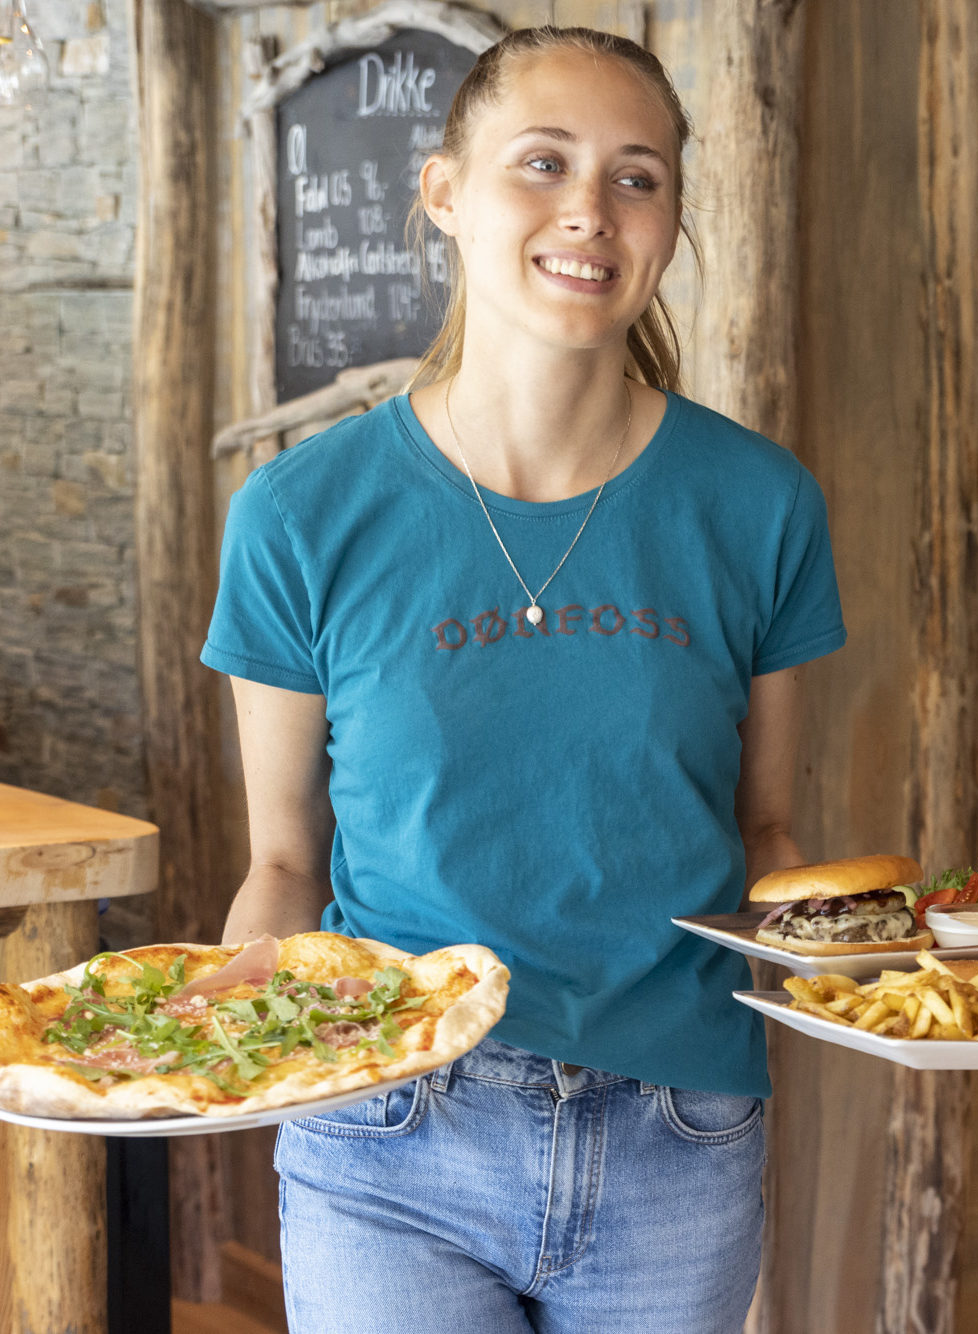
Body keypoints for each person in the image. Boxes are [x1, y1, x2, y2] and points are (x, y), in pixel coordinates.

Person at [202, 25, 845, 1333]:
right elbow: (283, 861)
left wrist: (886, 971)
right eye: (541, 163)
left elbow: (765, 833)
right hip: (391, 1121)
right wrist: (214, 1041)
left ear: (668, 219)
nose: (588, 213)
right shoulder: (299, 513)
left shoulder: (759, 504)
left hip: (679, 1129)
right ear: (443, 192)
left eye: (635, 176)